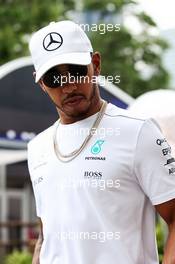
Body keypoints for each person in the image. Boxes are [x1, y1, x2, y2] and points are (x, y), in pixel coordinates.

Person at [28, 20, 175, 264]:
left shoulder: (138, 131)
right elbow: (47, 236)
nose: (69, 85)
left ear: (95, 65)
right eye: (54, 78)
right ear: (41, 83)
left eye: (75, 71)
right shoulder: (37, 147)